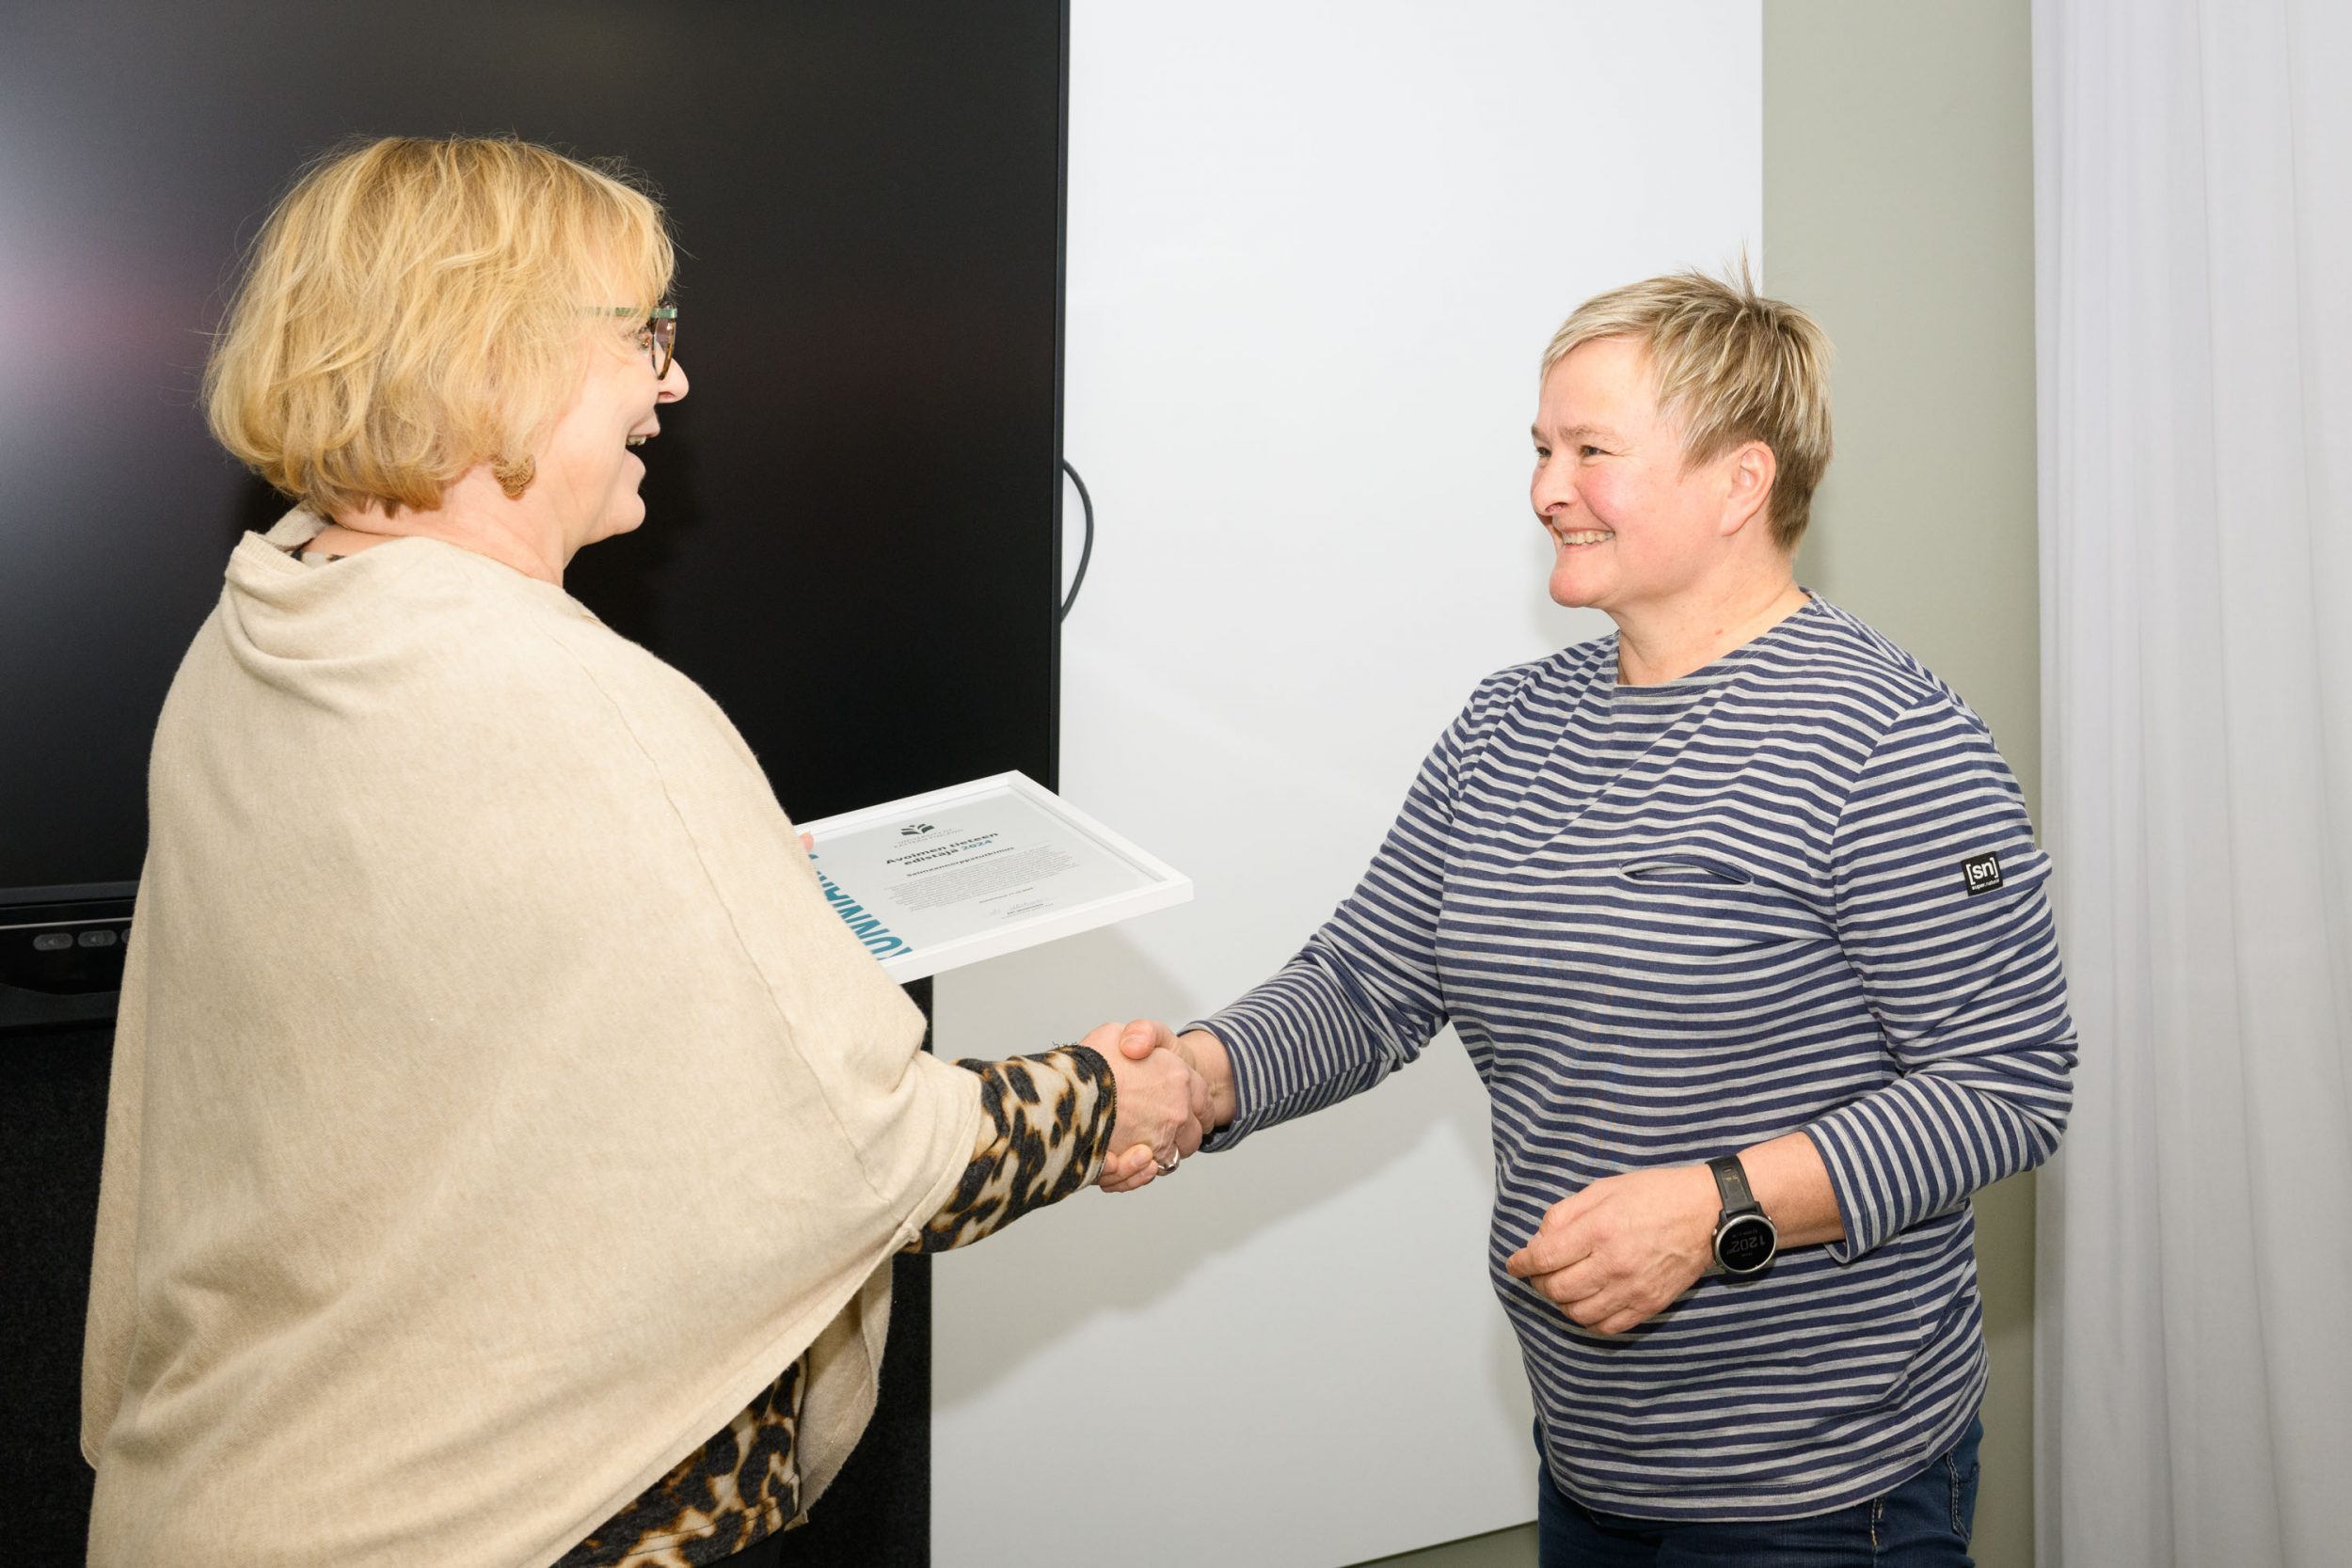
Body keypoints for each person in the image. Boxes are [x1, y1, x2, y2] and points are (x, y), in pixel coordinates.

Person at [78, 135, 1205, 1568]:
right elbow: (855, 1152)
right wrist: (1114, 1098)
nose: (673, 383)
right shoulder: (568, 697)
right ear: (494, 358)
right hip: (499, 1518)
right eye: (644, 336)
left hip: (244, 1483)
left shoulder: (264, 628)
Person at [1115, 268, 2075, 1566]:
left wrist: (1715, 1209)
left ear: (1740, 484)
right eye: (1540, 449)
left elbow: (2005, 1085)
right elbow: (1364, 984)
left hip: (1823, 1493)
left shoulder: (1888, 743)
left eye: (1591, 452)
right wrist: (1193, 1080)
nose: (1545, 490)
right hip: (1591, 1459)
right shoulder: (1508, 725)